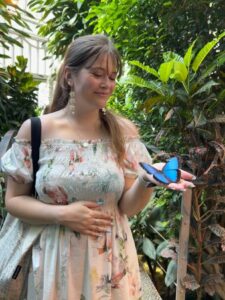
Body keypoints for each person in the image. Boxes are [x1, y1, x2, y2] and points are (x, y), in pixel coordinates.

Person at [0, 34, 194, 300]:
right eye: (97, 74)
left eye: (112, 76)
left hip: (111, 263)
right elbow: (14, 200)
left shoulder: (122, 132)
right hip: (54, 262)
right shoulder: (36, 130)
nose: (107, 84)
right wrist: (63, 214)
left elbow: (127, 208)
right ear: (69, 76)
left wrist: (147, 180)